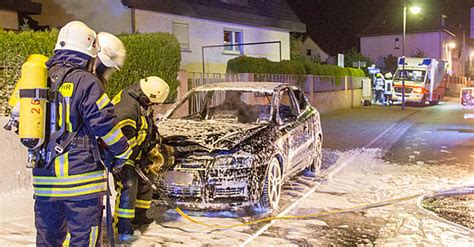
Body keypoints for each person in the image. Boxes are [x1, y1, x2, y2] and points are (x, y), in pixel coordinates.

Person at [33, 21, 132, 246]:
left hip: (44, 183)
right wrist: (123, 151)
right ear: (89, 53)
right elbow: (104, 125)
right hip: (81, 184)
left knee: (48, 241)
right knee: (84, 240)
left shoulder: (41, 77)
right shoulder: (87, 82)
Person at [111, 76, 170, 242]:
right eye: (154, 103)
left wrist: (153, 146)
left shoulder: (141, 101)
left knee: (146, 180)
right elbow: (123, 138)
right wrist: (134, 158)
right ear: (148, 96)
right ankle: (123, 228)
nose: (155, 106)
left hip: (135, 152)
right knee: (129, 185)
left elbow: (148, 127)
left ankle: (139, 218)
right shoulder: (127, 107)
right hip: (120, 154)